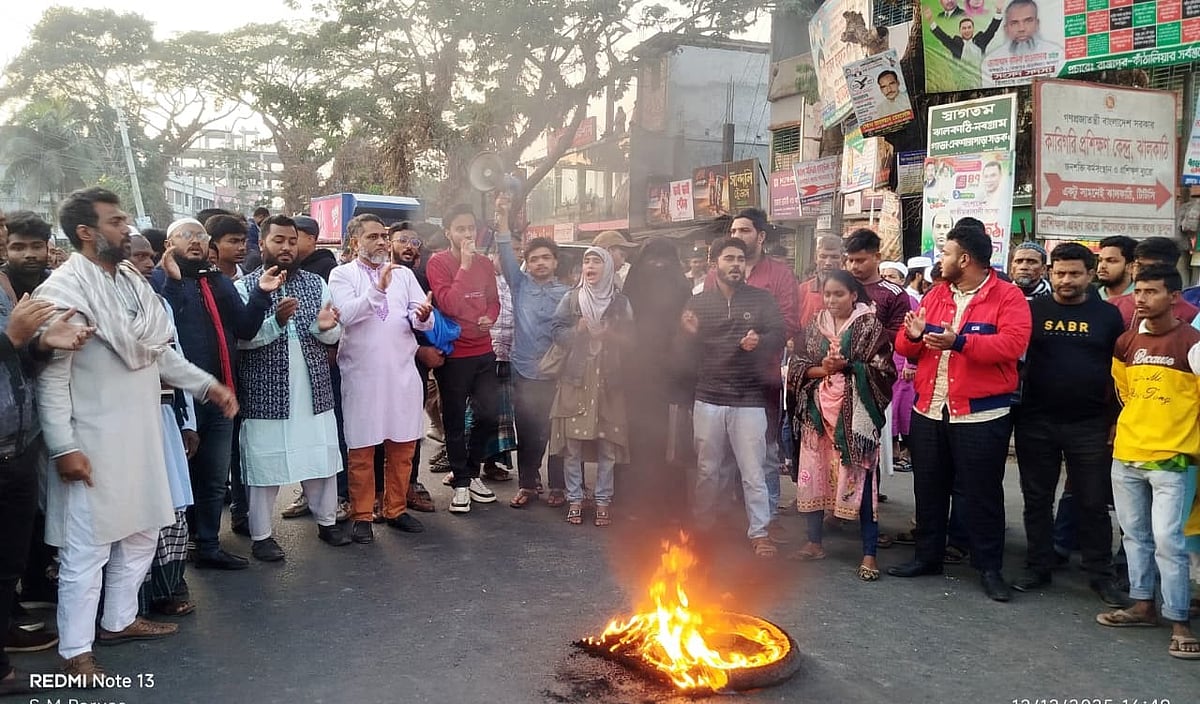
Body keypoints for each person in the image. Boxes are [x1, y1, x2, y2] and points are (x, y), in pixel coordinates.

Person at [35, 187, 236, 677]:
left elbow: (160, 351)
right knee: (88, 547)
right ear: (86, 232)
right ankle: (75, 651)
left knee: (146, 530)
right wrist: (65, 447)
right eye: (116, 221)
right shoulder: (63, 292)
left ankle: (120, 619)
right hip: (92, 441)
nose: (127, 229)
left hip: (143, 434)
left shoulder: (131, 280)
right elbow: (51, 378)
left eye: (125, 220)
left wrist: (207, 386)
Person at [888, 217, 1031, 602]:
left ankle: (989, 569)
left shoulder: (1008, 296)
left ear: (965, 258)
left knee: (982, 494)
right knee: (928, 489)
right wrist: (914, 336)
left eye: (947, 252)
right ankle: (927, 557)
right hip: (929, 410)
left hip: (981, 416)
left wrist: (959, 342)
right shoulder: (937, 294)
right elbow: (905, 346)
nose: (941, 259)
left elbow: (1011, 347)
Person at [1012, 243, 1128, 606]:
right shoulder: (1033, 311)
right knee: (1036, 499)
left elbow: (1120, 373)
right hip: (1036, 420)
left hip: (1090, 424)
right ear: (1049, 273)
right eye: (1059, 273)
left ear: (1090, 275)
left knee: (1092, 502)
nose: (1066, 280)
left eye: (1075, 273)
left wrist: (1115, 420)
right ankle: (1038, 565)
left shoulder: (1109, 316)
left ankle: (1100, 574)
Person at [0, 271, 98, 694]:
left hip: (17, 446)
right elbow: (9, 346)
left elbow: (16, 367)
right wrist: (13, 338)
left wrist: (40, 345)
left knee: (7, 568)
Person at [154, 217, 271, 569]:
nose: (195, 242)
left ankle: (207, 544)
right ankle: (175, 553)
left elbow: (246, 328)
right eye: (186, 236)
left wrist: (262, 294)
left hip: (219, 395)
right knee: (180, 478)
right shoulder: (157, 282)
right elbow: (165, 328)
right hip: (179, 399)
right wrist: (174, 283)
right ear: (168, 244)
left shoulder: (216, 281)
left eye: (200, 237)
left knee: (214, 478)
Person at [234, 215, 352, 561]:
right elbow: (243, 339)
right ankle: (262, 536)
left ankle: (327, 521)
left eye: (291, 241)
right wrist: (277, 321)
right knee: (264, 465)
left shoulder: (316, 284)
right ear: (263, 244)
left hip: (313, 388)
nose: (286, 247)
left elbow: (331, 333)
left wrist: (326, 328)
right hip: (266, 392)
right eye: (278, 240)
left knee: (321, 457)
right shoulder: (246, 287)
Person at [1098, 263, 1200, 660]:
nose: (1141, 298)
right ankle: (1143, 605)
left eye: (1151, 292)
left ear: (1174, 297)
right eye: (1138, 291)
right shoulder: (1127, 342)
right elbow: (1124, 392)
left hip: (1173, 460)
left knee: (1168, 543)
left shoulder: (1192, 344)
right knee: (1133, 537)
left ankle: (1179, 621)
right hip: (1127, 454)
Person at [329, 214, 433, 544]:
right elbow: (346, 315)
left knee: (402, 446)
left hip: (401, 374)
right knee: (361, 449)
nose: (381, 241)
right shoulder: (341, 274)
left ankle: (396, 509)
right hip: (362, 376)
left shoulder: (404, 274)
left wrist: (424, 317)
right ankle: (362, 515)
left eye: (384, 235)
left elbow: (422, 318)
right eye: (372, 236)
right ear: (354, 242)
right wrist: (378, 289)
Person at [679, 237, 785, 557]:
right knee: (707, 469)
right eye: (729, 258)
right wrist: (686, 334)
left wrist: (761, 339)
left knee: (752, 469)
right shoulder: (698, 304)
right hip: (708, 396)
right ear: (716, 265)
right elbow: (685, 353)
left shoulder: (762, 300)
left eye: (740, 259)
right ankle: (703, 527)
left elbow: (779, 334)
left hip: (749, 397)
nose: (736, 264)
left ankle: (759, 532)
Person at [789, 270, 896, 580]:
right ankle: (813, 542)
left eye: (838, 294)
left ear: (854, 295)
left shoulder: (870, 326)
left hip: (855, 421)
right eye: (827, 295)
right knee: (813, 477)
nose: (831, 300)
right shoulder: (814, 326)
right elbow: (797, 364)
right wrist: (822, 369)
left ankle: (869, 553)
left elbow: (883, 370)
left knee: (861, 481)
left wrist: (848, 366)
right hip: (816, 415)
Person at [706, 209, 800, 528]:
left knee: (765, 452)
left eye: (744, 230)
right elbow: (708, 321)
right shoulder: (715, 275)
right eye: (733, 229)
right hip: (721, 379)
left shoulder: (780, 274)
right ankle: (724, 520)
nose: (738, 235)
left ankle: (767, 519)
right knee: (720, 456)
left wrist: (758, 339)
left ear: (760, 236)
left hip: (763, 379)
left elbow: (788, 322)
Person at [126, 235, 201, 618]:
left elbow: (177, 361)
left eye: (149, 257)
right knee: (134, 513)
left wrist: (187, 421)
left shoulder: (160, 303)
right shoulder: (100, 304)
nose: (146, 263)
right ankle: (129, 607)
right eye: (137, 255)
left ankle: (168, 588)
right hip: (123, 425)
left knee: (171, 506)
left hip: (165, 421)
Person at [547, 247, 634, 527]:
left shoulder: (621, 303)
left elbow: (633, 341)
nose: (591, 265)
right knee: (573, 445)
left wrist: (612, 335)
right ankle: (575, 498)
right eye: (587, 261)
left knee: (608, 445)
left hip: (609, 381)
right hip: (576, 379)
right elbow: (557, 332)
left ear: (608, 268)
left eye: (597, 261)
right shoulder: (572, 299)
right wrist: (578, 330)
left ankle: (603, 501)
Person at [493, 201, 570, 509]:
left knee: (556, 431)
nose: (540, 263)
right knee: (526, 428)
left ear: (555, 262)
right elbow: (505, 251)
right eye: (534, 258)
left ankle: (559, 486)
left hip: (556, 373)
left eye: (545, 258)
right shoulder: (519, 285)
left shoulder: (566, 294)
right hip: (523, 370)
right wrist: (501, 219)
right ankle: (528, 483)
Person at [425, 204, 501, 513]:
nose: (467, 234)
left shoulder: (485, 264)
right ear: (448, 233)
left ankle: (470, 472)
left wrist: (490, 317)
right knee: (454, 420)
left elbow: (494, 301)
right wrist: (465, 266)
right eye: (460, 229)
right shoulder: (438, 263)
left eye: (471, 228)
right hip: (455, 353)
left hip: (483, 349)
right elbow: (450, 304)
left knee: (488, 414)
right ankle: (460, 484)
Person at [623, 237, 694, 513]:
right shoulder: (632, 289)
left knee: (672, 442)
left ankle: (672, 504)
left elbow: (688, 330)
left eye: (665, 260)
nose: (659, 265)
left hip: (673, 375)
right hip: (637, 374)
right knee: (638, 438)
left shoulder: (682, 288)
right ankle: (636, 500)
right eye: (653, 259)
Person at [1111, 237, 1198, 327]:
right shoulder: (1113, 306)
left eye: (1151, 267)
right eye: (1139, 265)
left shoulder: (1191, 315)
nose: (1142, 272)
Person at [922, 1, 1003, 61]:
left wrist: (998, 10)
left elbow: (992, 29)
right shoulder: (956, 44)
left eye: (969, 27)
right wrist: (930, 20)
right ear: (960, 31)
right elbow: (943, 37)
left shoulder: (981, 40)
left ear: (973, 29)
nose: (967, 30)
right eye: (964, 28)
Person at [985, 0, 1062, 61]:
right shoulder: (992, 59)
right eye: (1014, 23)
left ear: (1037, 24)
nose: (1021, 29)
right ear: (1006, 28)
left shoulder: (1056, 52)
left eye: (1028, 21)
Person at [798, 235, 845, 329]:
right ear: (816, 258)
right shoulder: (802, 290)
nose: (828, 262)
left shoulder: (852, 290)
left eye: (834, 257)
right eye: (823, 256)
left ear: (842, 259)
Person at [207, 215, 248, 281]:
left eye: (243, 241)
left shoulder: (253, 281)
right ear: (213, 244)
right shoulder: (202, 282)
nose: (242, 247)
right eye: (234, 241)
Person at [1095, 235, 1136, 302]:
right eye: (1100, 260)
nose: (1102, 266)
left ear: (1131, 267)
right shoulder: (1090, 296)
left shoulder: (1140, 299)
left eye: (1111, 261)